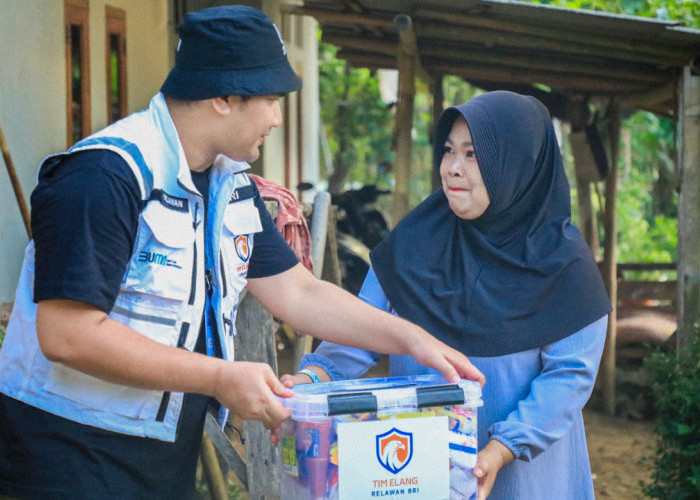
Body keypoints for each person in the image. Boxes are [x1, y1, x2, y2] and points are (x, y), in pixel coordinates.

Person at [0, 6, 482, 499]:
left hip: (162, 456)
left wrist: (410, 338)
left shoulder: (230, 185)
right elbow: (67, 335)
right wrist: (221, 377)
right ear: (225, 97)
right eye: (271, 100)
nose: (277, 119)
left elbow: (299, 292)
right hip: (64, 458)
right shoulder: (104, 177)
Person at [287, 91, 612, 499]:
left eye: (473, 154)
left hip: (525, 474)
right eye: (448, 151)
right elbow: (359, 329)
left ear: (517, 166)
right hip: (418, 469)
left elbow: (569, 376)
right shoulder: (415, 241)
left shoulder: (565, 264)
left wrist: (502, 448)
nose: (453, 169)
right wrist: (307, 381)